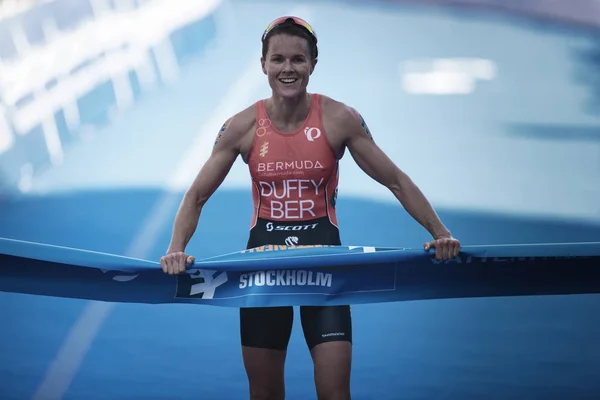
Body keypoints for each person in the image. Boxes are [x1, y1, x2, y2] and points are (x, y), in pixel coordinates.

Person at [160, 16, 461, 400]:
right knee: (265, 394)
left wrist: (441, 234)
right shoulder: (241, 127)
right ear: (264, 64)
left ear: (313, 64)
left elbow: (395, 179)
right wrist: (175, 249)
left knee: (335, 394)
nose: (288, 69)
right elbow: (197, 195)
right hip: (264, 272)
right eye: (279, 59)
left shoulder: (339, 119)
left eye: (298, 60)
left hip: (325, 270)